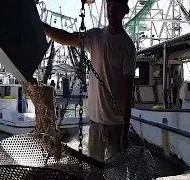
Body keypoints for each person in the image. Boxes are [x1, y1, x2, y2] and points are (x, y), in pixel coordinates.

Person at [42, 0, 136, 162]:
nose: (112, 9)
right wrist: (42, 26)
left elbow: (128, 90)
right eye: (109, 5)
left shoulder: (127, 46)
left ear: (125, 11)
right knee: (94, 171)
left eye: (116, 5)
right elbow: (65, 38)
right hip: (95, 122)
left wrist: (125, 131)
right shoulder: (95, 36)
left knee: (116, 172)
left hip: (116, 124)